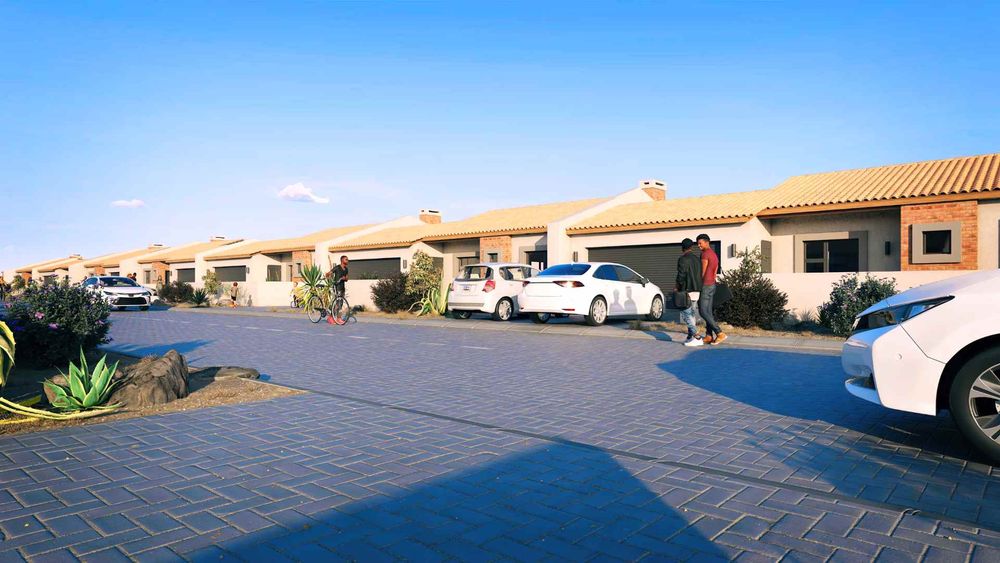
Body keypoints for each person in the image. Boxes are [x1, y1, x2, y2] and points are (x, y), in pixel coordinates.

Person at [696, 234, 726, 345]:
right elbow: (715, 271)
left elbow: (702, 272)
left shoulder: (704, 254)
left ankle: (719, 333)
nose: (698, 245)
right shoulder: (714, 254)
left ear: (706, 242)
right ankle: (709, 336)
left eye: (700, 243)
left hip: (706, 285)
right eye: (698, 243)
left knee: (703, 311)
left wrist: (699, 284)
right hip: (712, 284)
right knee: (708, 312)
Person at [675, 238, 704, 347]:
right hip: (697, 290)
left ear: (682, 248)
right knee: (691, 314)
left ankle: (697, 337)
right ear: (691, 247)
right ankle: (690, 336)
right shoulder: (697, 259)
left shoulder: (683, 259)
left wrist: (677, 287)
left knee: (687, 314)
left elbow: (681, 275)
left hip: (687, 290)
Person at [326, 256, 349, 325]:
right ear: (342, 260)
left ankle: (338, 318)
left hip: (342, 287)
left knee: (340, 304)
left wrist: (344, 278)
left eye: (347, 259)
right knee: (337, 303)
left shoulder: (346, 269)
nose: (347, 260)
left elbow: (347, 279)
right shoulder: (337, 267)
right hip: (337, 287)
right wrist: (330, 278)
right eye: (346, 259)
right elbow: (328, 274)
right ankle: (331, 318)